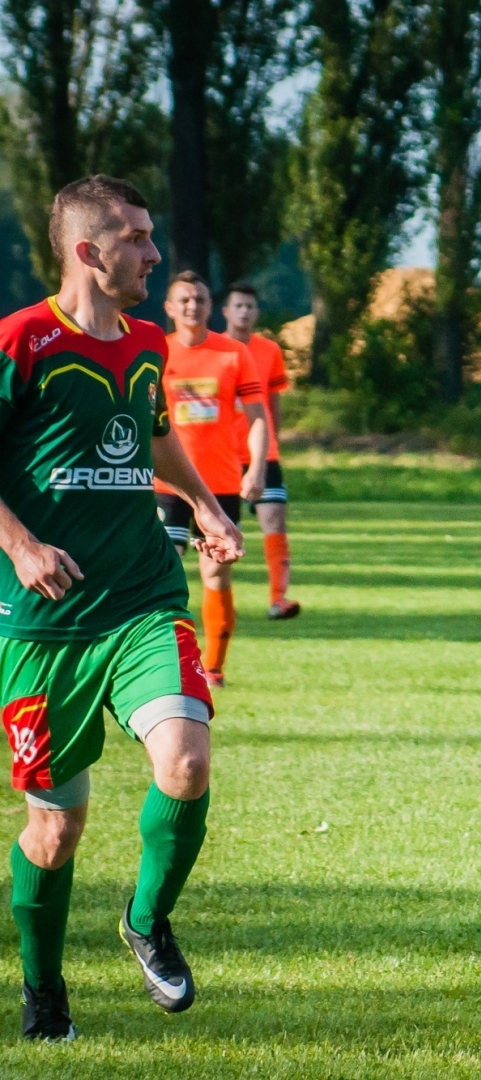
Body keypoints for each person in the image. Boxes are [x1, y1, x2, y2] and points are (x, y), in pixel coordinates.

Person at [0, 175, 245, 1039]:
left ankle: (145, 921)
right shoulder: (21, 341)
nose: (153, 253)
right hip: (40, 627)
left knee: (185, 762)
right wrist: (22, 546)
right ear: (88, 251)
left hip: (142, 600)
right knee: (56, 827)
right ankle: (42, 989)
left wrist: (208, 505)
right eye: (137, 238)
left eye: (151, 234)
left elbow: (153, 431)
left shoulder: (146, 342)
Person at [154, 272, 270, 685]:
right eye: (183, 300)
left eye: (200, 299)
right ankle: (165, 663)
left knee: (216, 573)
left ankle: (214, 668)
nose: (192, 306)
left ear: (210, 305)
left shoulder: (233, 353)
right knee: (161, 571)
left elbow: (258, 417)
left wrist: (255, 467)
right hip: (165, 484)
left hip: (220, 483)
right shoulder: (156, 353)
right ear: (169, 308)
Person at [222, 282, 300, 619]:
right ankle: (215, 600)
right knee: (218, 531)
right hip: (221, 453)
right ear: (225, 311)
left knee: (274, 518)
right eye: (238, 305)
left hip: (262, 454)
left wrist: (274, 441)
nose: (244, 312)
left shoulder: (269, 350)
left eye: (250, 306)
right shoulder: (213, 350)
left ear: (256, 312)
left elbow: (273, 402)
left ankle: (278, 598)